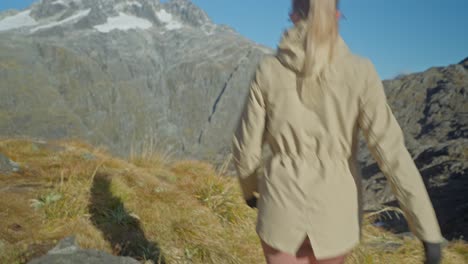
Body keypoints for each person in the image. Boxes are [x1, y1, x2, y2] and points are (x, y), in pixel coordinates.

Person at [231, 0, 445, 263]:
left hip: (280, 208)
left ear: (293, 16)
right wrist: (427, 230)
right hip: (335, 214)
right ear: (337, 15)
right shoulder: (360, 72)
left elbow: (245, 147)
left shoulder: (269, 70)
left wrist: (250, 192)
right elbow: (392, 154)